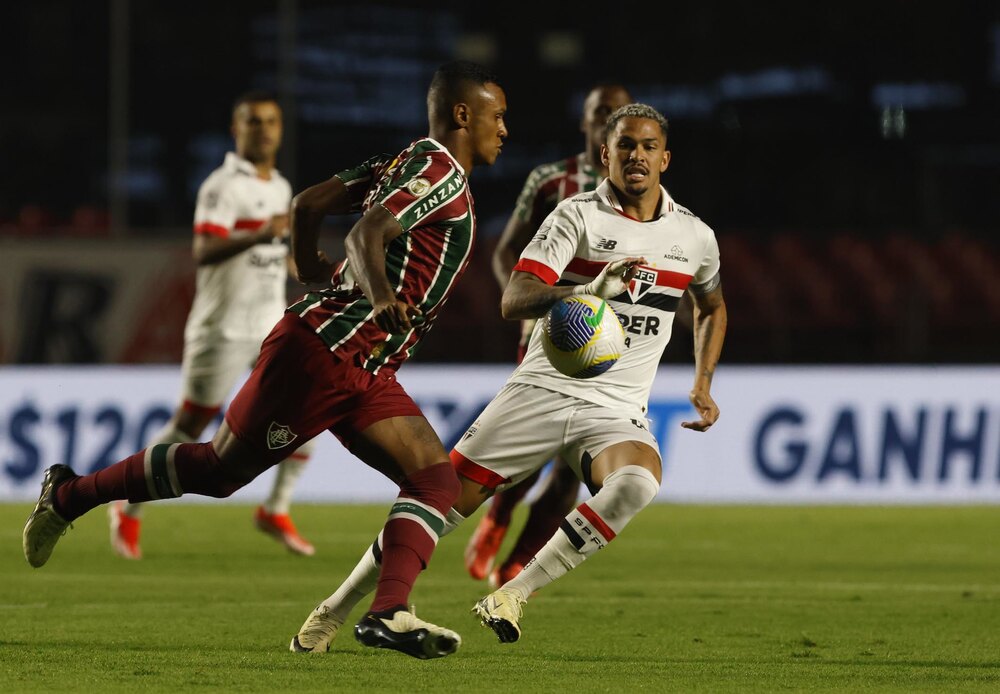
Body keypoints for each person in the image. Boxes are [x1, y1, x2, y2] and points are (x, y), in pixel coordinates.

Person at [23, 60, 509, 660]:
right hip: (323, 355)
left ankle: (388, 612)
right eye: (498, 115)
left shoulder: (403, 162)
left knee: (437, 479)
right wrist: (380, 298)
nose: (504, 129)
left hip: (366, 366)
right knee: (218, 472)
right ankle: (70, 495)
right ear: (464, 115)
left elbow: (307, 205)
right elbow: (363, 235)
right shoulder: (437, 170)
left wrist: (308, 267)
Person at [289, 103, 726, 650]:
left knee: (637, 483)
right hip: (541, 391)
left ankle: (513, 593)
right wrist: (587, 291)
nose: (636, 155)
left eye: (647, 146)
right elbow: (514, 298)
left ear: (665, 157)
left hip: (614, 409)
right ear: (605, 153)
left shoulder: (693, 236)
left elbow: (712, 305)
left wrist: (703, 382)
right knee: (440, 507)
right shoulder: (576, 216)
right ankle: (335, 609)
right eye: (625, 145)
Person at [109, 91, 316, 560]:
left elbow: (270, 252)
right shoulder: (221, 187)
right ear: (235, 130)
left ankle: (276, 508)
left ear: (280, 131)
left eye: (271, 122)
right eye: (253, 122)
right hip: (220, 328)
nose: (263, 130)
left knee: (310, 401)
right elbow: (204, 250)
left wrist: (298, 267)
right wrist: (262, 231)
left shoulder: (281, 186)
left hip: (267, 322)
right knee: (190, 425)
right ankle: (129, 503)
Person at [465, 83, 631, 587]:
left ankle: (516, 564)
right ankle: (496, 517)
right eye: (600, 111)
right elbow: (503, 253)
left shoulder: (641, 192)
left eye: (618, 113)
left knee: (571, 473)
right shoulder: (549, 180)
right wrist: (523, 309)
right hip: (552, 335)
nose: (609, 119)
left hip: (611, 344)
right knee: (534, 455)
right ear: (584, 121)